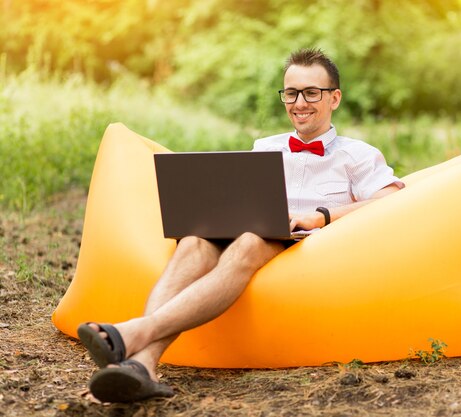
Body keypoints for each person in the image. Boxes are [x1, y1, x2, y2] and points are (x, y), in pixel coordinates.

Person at [78, 48, 405, 403]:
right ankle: (142, 366)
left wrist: (322, 216)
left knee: (250, 240)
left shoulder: (357, 154)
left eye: (311, 93)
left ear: (334, 98)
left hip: (306, 243)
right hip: (249, 228)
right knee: (193, 241)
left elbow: (391, 200)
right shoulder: (265, 146)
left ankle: (133, 331)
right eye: (291, 93)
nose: (299, 103)